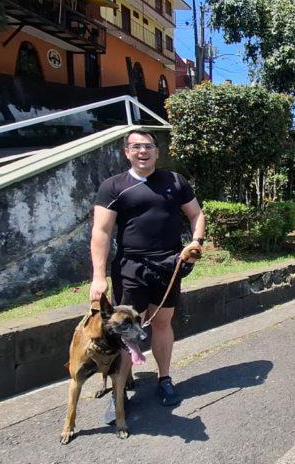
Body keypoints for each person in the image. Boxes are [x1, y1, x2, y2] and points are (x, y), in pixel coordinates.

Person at [90, 130, 206, 407]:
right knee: (126, 330)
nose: (143, 151)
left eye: (148, 146)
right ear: (126, 152)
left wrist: (196, 242)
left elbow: (196, 214)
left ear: (157, 151)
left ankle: (164, 379)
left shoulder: (175, 181)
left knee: (162, 323)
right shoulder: (113, 186)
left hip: (169, 264)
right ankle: (120, 390)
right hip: (130, 267)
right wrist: (98, 276)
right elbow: (101, 232)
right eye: (136, 146)